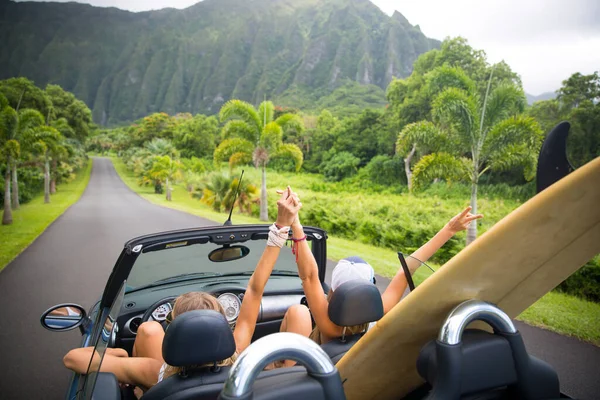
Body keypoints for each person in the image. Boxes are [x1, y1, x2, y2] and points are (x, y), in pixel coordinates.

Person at [62, 188, 302, 392]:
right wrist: (282, 226)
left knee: (146, 334)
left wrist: (123, 358)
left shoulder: (154, 372)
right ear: (221, 326)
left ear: (174, 327)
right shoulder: (239, 360)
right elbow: (254, 290)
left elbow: (73, 358)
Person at [278, 187, 483, 346]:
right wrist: (448, 230)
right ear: (370, 288)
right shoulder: (380, 312)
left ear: (334, 292)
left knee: (299, 312)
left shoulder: (328, 324)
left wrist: (295, 222)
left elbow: (310, 277)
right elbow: (406, 270)